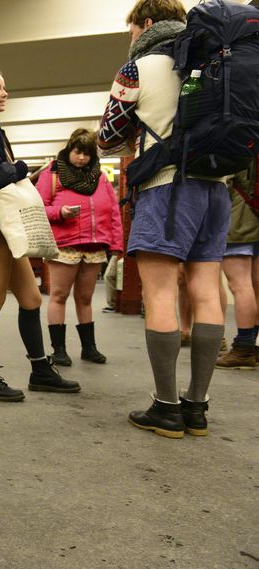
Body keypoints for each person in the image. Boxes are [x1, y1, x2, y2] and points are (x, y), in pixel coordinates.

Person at [98, 0, 230, 439]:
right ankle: (197, 407)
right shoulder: (217, 60)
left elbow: (106, 138)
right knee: (206, 293)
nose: (131, 37)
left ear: (147, 23)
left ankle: (167, 408)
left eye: (132, 30)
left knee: (159, 293)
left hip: (166, 188)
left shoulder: (138, 67)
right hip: (216, 188)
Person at [0, 64, 80, 402]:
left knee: (31, 298)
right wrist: (18, 169)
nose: (4, 93)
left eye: (4, 87)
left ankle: (40, 371)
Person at [37, 129, 123, 365]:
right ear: (69, 150)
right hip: (65, 244)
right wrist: (59, 212)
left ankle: (89, 348)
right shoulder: (53, 173)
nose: (82, 158)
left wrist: (116, 243)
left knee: (85, 298)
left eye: (87, 154)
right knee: (59, 295)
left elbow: (113, 212)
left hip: (94, 246)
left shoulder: (100, 177)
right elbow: (39, 207)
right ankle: (59, 350)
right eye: (78, 152)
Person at [215, 165, 259, 370]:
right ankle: (253, 346)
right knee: (256, 285)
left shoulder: (244, 145)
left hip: (240, 218)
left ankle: (243, 348)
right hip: (255, 214)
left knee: (240, 285)